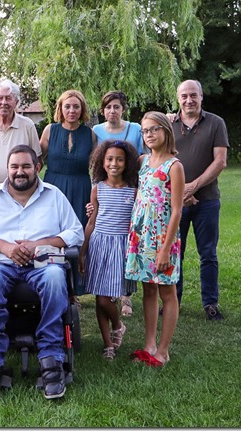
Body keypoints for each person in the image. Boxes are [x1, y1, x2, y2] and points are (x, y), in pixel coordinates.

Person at [0, 145, 84, 399]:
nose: (20, 172)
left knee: (54, 278)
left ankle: (51, 357)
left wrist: (41, 244)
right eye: (15, 166)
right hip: (1, 264)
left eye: (26, 166)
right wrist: (5, 247)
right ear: (7, 169)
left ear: (37, 167)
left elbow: (75, 232)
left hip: (43, 264)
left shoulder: (54, 196)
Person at [125, 112, 184, 367]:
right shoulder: (143, 162)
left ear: (166, 131)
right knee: (148, 289)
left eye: (154, 130)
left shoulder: (174, 166)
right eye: (145, 131)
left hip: (163, 237)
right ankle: (149, 344)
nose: (149, 135)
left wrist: (165, 250)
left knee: (166, 291)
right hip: (142, 234)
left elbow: (177, 210)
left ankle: (163, 349)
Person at [170, 80, 229, 320]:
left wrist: (193, 186)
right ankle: (173, 300)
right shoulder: (168, 124)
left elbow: (220, 161)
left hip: (207, 200)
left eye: (193, 95)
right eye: (184, 96)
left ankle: (210, 303)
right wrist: (180, 192)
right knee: (176, 252)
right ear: (178, 99)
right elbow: (159, 158)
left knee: (208, 253)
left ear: (201, 96)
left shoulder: (215, 123)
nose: (189, 100)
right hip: (176, 202)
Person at [79, 140, 139, 361]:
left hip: (121, 248)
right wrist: (83, 251)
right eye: (110, 159)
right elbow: (92, 223)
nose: (114, 164)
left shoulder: (133, 191)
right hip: (99, 246)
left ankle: (117, 325)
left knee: (108, 299)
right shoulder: (98, 189)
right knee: (100, 297)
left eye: (120, 159)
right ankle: (108, 345)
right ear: (102, 163)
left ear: (127, 163)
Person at [92, 90, 144, 317]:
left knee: (126, 239)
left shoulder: (135, 129)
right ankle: (109, 291)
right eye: (108, 107)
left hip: (129, 186)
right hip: (104, 188)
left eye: (116, 107)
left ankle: (126, 297)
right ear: (103, 110)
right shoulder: (96, 131)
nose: (112, 111)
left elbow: (143, 157)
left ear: (123, 109)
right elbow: (94, 161)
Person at [40, 89, 95, 297]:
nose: (72, 110)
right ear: (60, 109)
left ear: (82, 110)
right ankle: (48, 283)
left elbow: (97, 168)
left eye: (76, 107)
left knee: (75, 236)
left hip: (80, 188)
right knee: (51, 232)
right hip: (53, 187)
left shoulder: (90, 134)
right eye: (67, 106)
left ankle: (74, 289)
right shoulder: (50, 130)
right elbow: (37, 159)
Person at [0, 78, 41, 196]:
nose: (4, 102)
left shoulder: (28, 126)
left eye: (8, 98)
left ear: (16, 102)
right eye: (0, 98)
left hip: (19, 193)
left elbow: (36, 160)